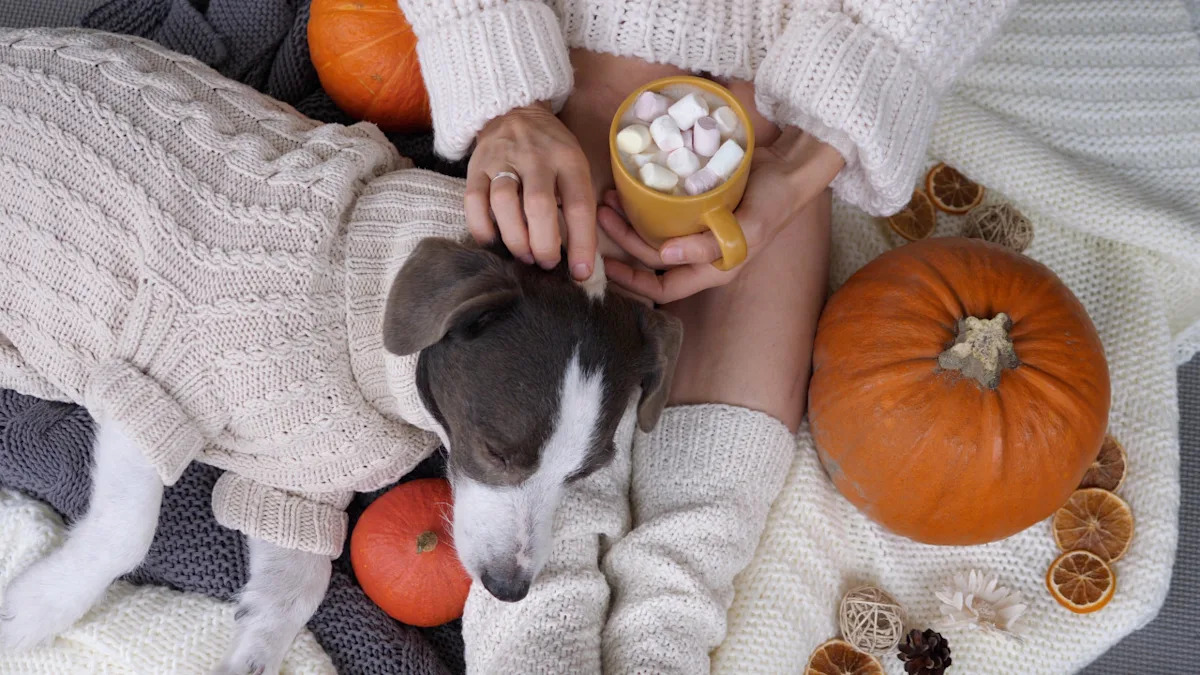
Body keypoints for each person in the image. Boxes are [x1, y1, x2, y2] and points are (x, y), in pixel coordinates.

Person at [397, 1, 1020, 671]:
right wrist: (499, 78)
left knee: (695, 537)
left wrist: (824, 135)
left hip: (795, 64)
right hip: (591, 39)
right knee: (551, 456)